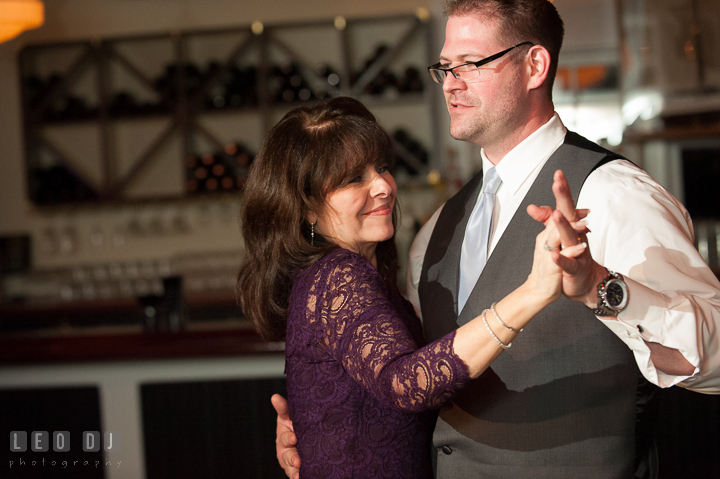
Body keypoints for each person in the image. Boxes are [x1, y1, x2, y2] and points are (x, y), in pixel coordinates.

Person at [273, 1, 720, 478]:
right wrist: (323, 423)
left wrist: (599, 286)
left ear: (534, 66)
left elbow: (715, 360)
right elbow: (410, 376)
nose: (450, 82)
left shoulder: (613, 196)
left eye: (470, 64)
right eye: (444, 67)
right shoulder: (435, 233)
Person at [237, 96, 588, 478]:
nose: (384, 186)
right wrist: (534, 290)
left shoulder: (349, 273)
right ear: (305, 207)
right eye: (355, 179)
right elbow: (406, 383)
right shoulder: (338, 274)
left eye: (382, 167)